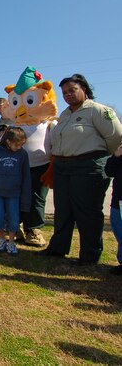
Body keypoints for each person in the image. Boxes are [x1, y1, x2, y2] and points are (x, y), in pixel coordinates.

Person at [44, 74, 122, 265]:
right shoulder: (64, 114)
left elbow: (115, 137)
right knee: (63, 209)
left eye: (72, 90)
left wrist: (99, 157)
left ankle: (89, 255)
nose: (68, 95)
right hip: (63, 166)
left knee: (87, 211)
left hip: (88, 165)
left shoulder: (98, 110)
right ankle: (58, 248)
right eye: (64, 92)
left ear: (84, 89)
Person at [0, 127, 31, 255]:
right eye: (17, 144)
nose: (19, 147)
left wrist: (25, 197)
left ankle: (11, 242)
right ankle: (1, 239)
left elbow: (26, 176)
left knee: (14, 218)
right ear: (8, 141)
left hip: (14, 193)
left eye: (22, 144)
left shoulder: (22, 154)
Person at [104, 142, 122, 275]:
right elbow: (109, 171)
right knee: (119, 231)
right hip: (118, 200)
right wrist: (116, 155)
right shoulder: (119, 153)